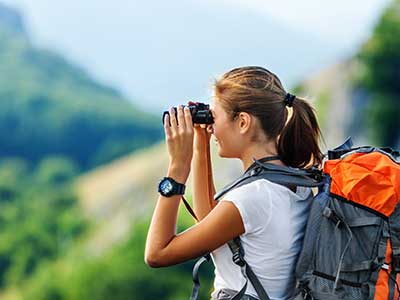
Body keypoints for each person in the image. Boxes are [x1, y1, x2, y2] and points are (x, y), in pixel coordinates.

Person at [145, 66, 323, 300]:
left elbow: (158, 253)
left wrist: (178, 167)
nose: (213, 126)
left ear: (242, 122)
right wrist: (201, 143)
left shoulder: (253, 198)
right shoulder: (295, 182)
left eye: (215, 117)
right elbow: (210, 220)